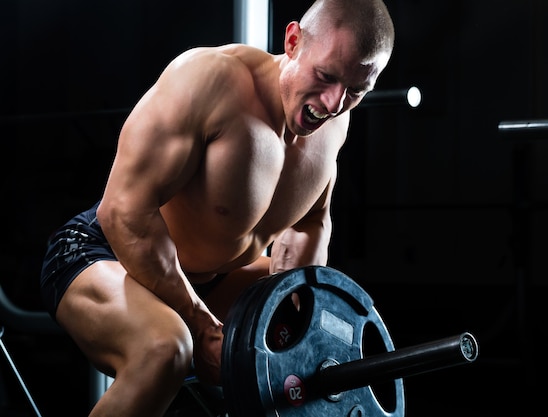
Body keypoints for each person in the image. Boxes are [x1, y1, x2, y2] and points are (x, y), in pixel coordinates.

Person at [40, 0, 395, 415]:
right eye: (326, 76)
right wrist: (201, 324)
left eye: (356, 91)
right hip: (102, 251)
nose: (334, 103)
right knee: (167, 348)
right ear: (294, 41)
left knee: (331, 332)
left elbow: (309, 226)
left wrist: (302, 327)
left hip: (211, 275)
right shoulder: (210, 80)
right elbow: (123, 213)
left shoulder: (335, 124)